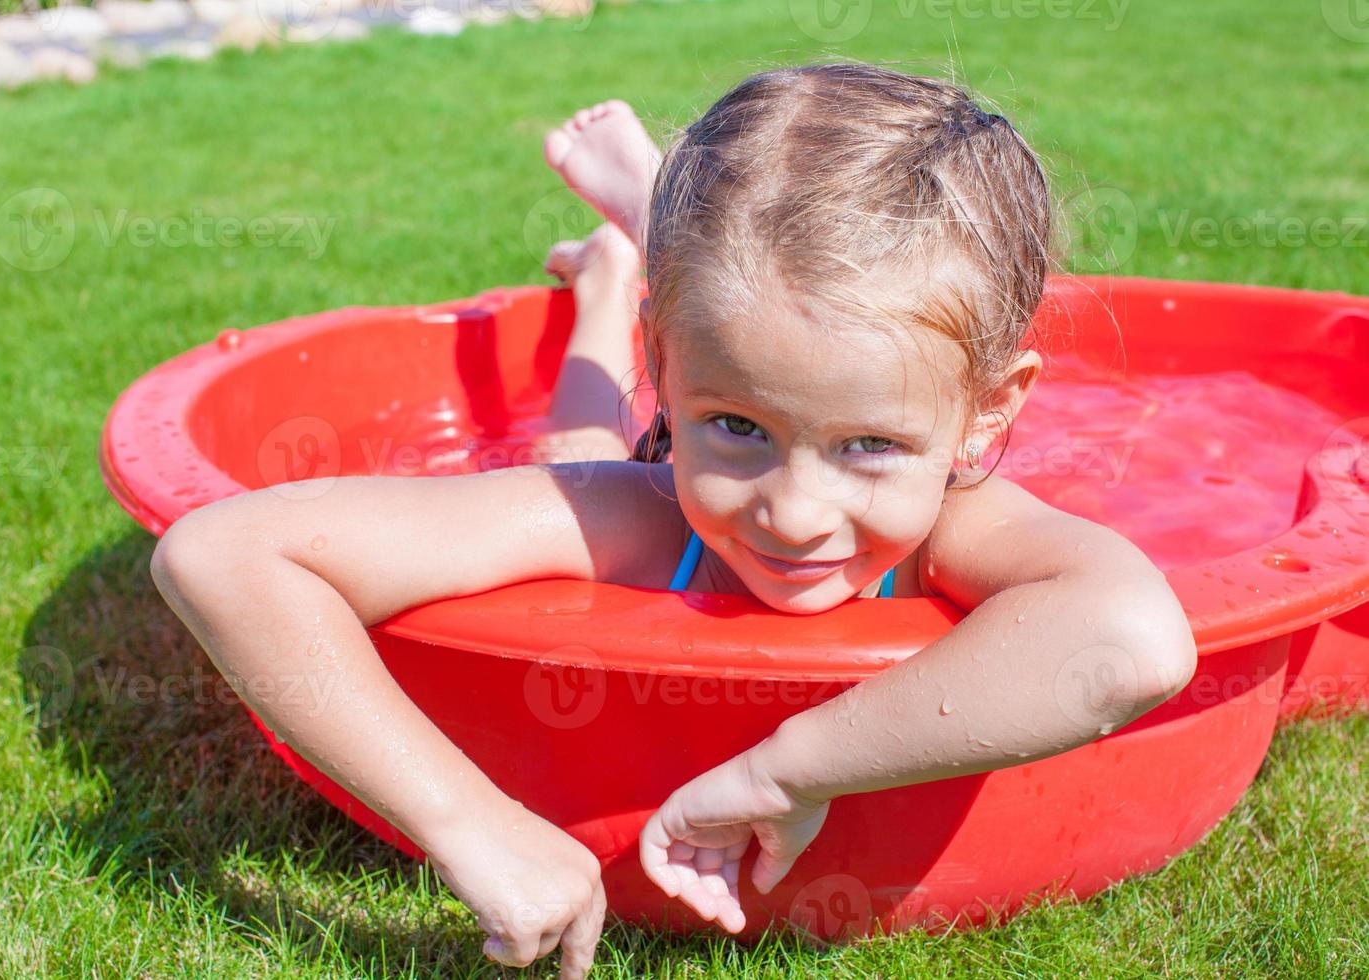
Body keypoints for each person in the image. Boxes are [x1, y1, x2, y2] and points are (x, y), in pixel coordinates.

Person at [148, 63, 1197, 980]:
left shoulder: (957, 527)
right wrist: (473, 824)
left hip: (712, 394)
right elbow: (222, 549)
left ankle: (645, 236)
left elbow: (1134, 637)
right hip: (652, 458)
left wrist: (789, 765)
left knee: (720, 361)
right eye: (738, 425)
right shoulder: (649, 517)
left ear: (990, 412)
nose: (793, 512)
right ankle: (619, 281)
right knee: (580, 462)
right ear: (670, 367)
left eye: (870, 446)